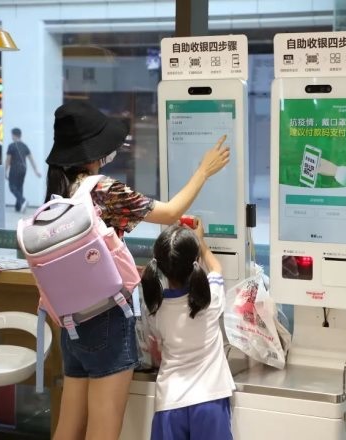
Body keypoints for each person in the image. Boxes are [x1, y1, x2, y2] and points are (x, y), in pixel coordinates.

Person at [44, 101, 230, 440]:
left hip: (71, 325)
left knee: (67, 428)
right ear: (94, 151)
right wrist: (203, 170)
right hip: (105, 321)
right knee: (103, 431)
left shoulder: (59, 193)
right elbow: (170, 212)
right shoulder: (101, 190)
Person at [141, 221, 235, 440]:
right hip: (210, 399)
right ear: (196, 261)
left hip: (169, 403)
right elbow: (216, 269)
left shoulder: (155, 309)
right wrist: (200, 241)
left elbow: (155, 349)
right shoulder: (210, 299)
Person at [6, 127, 41, 213]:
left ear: (14, 135)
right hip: (23, 169)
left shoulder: (11, 146)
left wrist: (5, 171)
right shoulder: (25, 146)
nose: (11, 137)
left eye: (12, 135)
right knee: (19, 187)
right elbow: (31, 159)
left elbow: (8, 160)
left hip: (15, 168)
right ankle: (18, 207)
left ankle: (22, 201)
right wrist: (36, 171)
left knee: (12, 187)